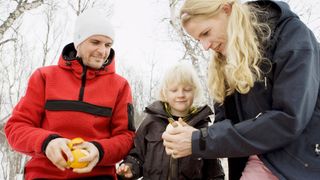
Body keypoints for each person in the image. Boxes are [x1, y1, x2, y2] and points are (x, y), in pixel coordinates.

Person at [162, 0, 320, 180]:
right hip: (252, 164)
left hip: (299, 164)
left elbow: (288, 118)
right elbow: (224, 125)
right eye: (199, 40)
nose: (205, 46)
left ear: (227, 10)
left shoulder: (293, 35)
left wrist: (201, 141)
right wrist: (191, 134)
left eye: (206, 33)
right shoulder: (222, 64)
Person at [5, 8, 135, 180]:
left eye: (108, 45)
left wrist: (99, 150)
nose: (102, 51)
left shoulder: (120, 86)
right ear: (78, 42)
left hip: (97, 176)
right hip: (43, 175)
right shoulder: (44, 77)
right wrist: (47, 142)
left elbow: (126, 138)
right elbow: (16, 127)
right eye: (95, 42)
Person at [116, 62, 225, 179]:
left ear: (195, 91)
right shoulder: (151, 122)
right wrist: (130, 167)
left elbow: (214, 171)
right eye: (174, 90)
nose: (181, 95)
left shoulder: (202, 127)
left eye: (187, 89)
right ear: (165, 92)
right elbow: (137, 155)